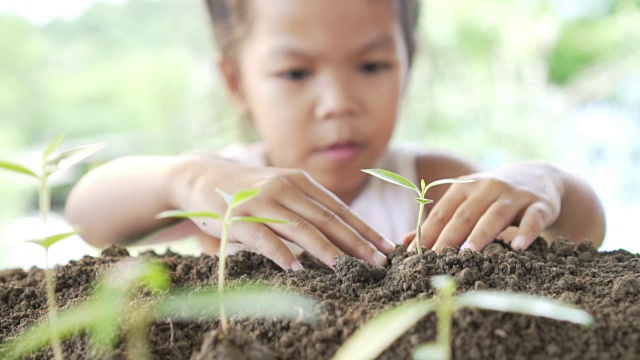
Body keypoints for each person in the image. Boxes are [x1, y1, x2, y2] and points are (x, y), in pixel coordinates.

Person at [65, 0, 605, 271]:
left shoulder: (434, 184)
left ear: (407, 63)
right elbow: (88, 215)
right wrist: (184, 179)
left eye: (371, 66)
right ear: (236, 81)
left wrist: (542, 180)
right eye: (296, 74)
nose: (339, 102)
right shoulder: (224, 189)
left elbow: (582, 237)